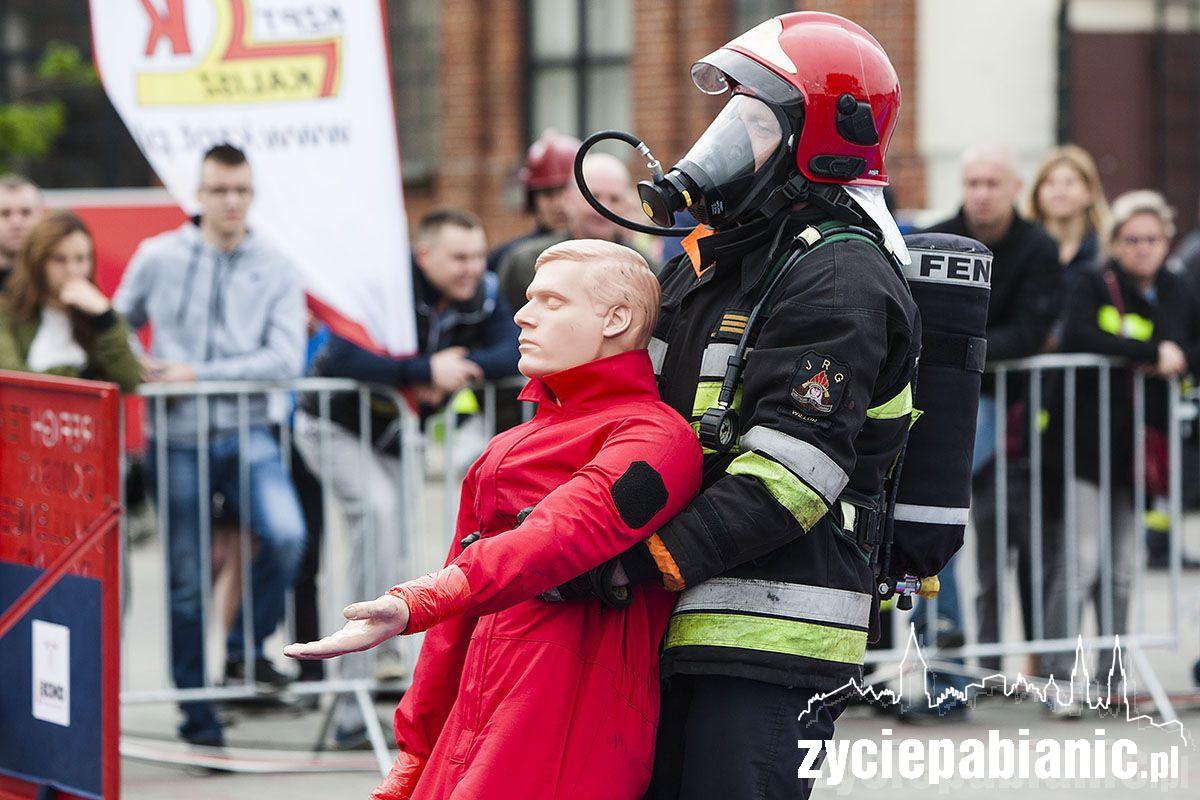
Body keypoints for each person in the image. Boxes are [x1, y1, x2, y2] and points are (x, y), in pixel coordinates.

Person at [544, 14, 929, 798]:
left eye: (752, 122)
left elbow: (788, 478)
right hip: (678, 620)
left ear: (819, 141)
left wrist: (631, 564)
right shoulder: (715, 261)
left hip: (769, 641)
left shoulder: (837, 278)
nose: (723, 142)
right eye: (730, 119)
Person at [285, 239, 703, 800]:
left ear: (617, 319)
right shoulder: (508, 445)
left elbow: (559, 534)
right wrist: (415, 755)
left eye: (551, 302)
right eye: (530, 298)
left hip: (569, 711)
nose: (522, 316)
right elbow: (454, 627)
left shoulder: (655, 437)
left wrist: (420, 600)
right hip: (481, 710)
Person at [293, 206, 520, 746]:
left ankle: (382, 660)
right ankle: (353, 690)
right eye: (459, 258)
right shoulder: (384, 287)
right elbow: (338, 353)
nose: (473, 269)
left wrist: (454, 368)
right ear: (425, 256)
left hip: (396, 437)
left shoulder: (483, 294)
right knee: (378, 515)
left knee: (394, 544)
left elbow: (510, 348)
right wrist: (422, 371)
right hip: (335, 425)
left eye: (477, 255)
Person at [114, 142, 307, 747]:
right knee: (186, 578)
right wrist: (137, 363)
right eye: (219, 190)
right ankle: (197, 715)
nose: (231, 202)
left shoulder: (276, 263)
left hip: (248, 430)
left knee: (287, 534)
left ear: (252, 195)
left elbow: (282, 360)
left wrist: (198, 374)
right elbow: (118, 320)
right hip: (176, 438)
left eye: (241, 191)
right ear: (197, 194)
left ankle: (242, 649)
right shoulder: (158, 256)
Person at [1046, 190, 1198, 706]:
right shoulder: (1093, 282)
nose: (1142, 249)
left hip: (1141, 447)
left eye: (1152, 239)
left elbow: (1190, 344)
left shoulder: (1177, 287)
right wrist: (1152, 352)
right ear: (1114, 242)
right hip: (1088, 441)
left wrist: (1173, 355)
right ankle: (1060, 676)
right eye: (1132, 239)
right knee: (1080, 562)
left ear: (1166, 241)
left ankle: (1111, 679)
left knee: (1124, 568)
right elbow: (1079, 337)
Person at [925, 143, 1062, 679]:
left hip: (1001, 406)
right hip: (937, 402)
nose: (981, 194)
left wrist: (959, 350)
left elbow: (1032, 333)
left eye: (992, 183)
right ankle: (947, 667)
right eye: (973, 183)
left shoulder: (1037, 248)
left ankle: (956, 670)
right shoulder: (936, 237)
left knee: (958, 528)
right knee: (936, 530)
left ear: (1014, 189)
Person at [497, 152, 657, 312]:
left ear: (626, 205)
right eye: (593, 197)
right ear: (569, 199)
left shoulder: (646, 272)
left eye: (614, 199)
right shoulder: (528, 263)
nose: (603, 208)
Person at [0, 210, 139, 391]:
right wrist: (85, 378)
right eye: (59, 259)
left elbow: (129, 380)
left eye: (81, 259)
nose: (72, 270)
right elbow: (14, 380)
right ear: (38, 261)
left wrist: (104, 319)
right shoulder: (8, 312)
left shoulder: (101, 313)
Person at [1024, 144, 1110, 348]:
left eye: (1070, 183)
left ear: (1090, 192)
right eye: (1050, 183)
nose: (1059, 191)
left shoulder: (1105, 251)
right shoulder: (1024, 246)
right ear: (1037, 193)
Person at [486, 130, 580, 272]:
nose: (559, 203)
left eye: (566, 191)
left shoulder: (612, 251)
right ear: (533, 200)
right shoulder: (506, 259)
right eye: (548, 193)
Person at [0, 174, 44, 292]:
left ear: (42, 216)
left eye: (26, 213)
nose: (16, 223)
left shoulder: (56, 285)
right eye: (5, 213)